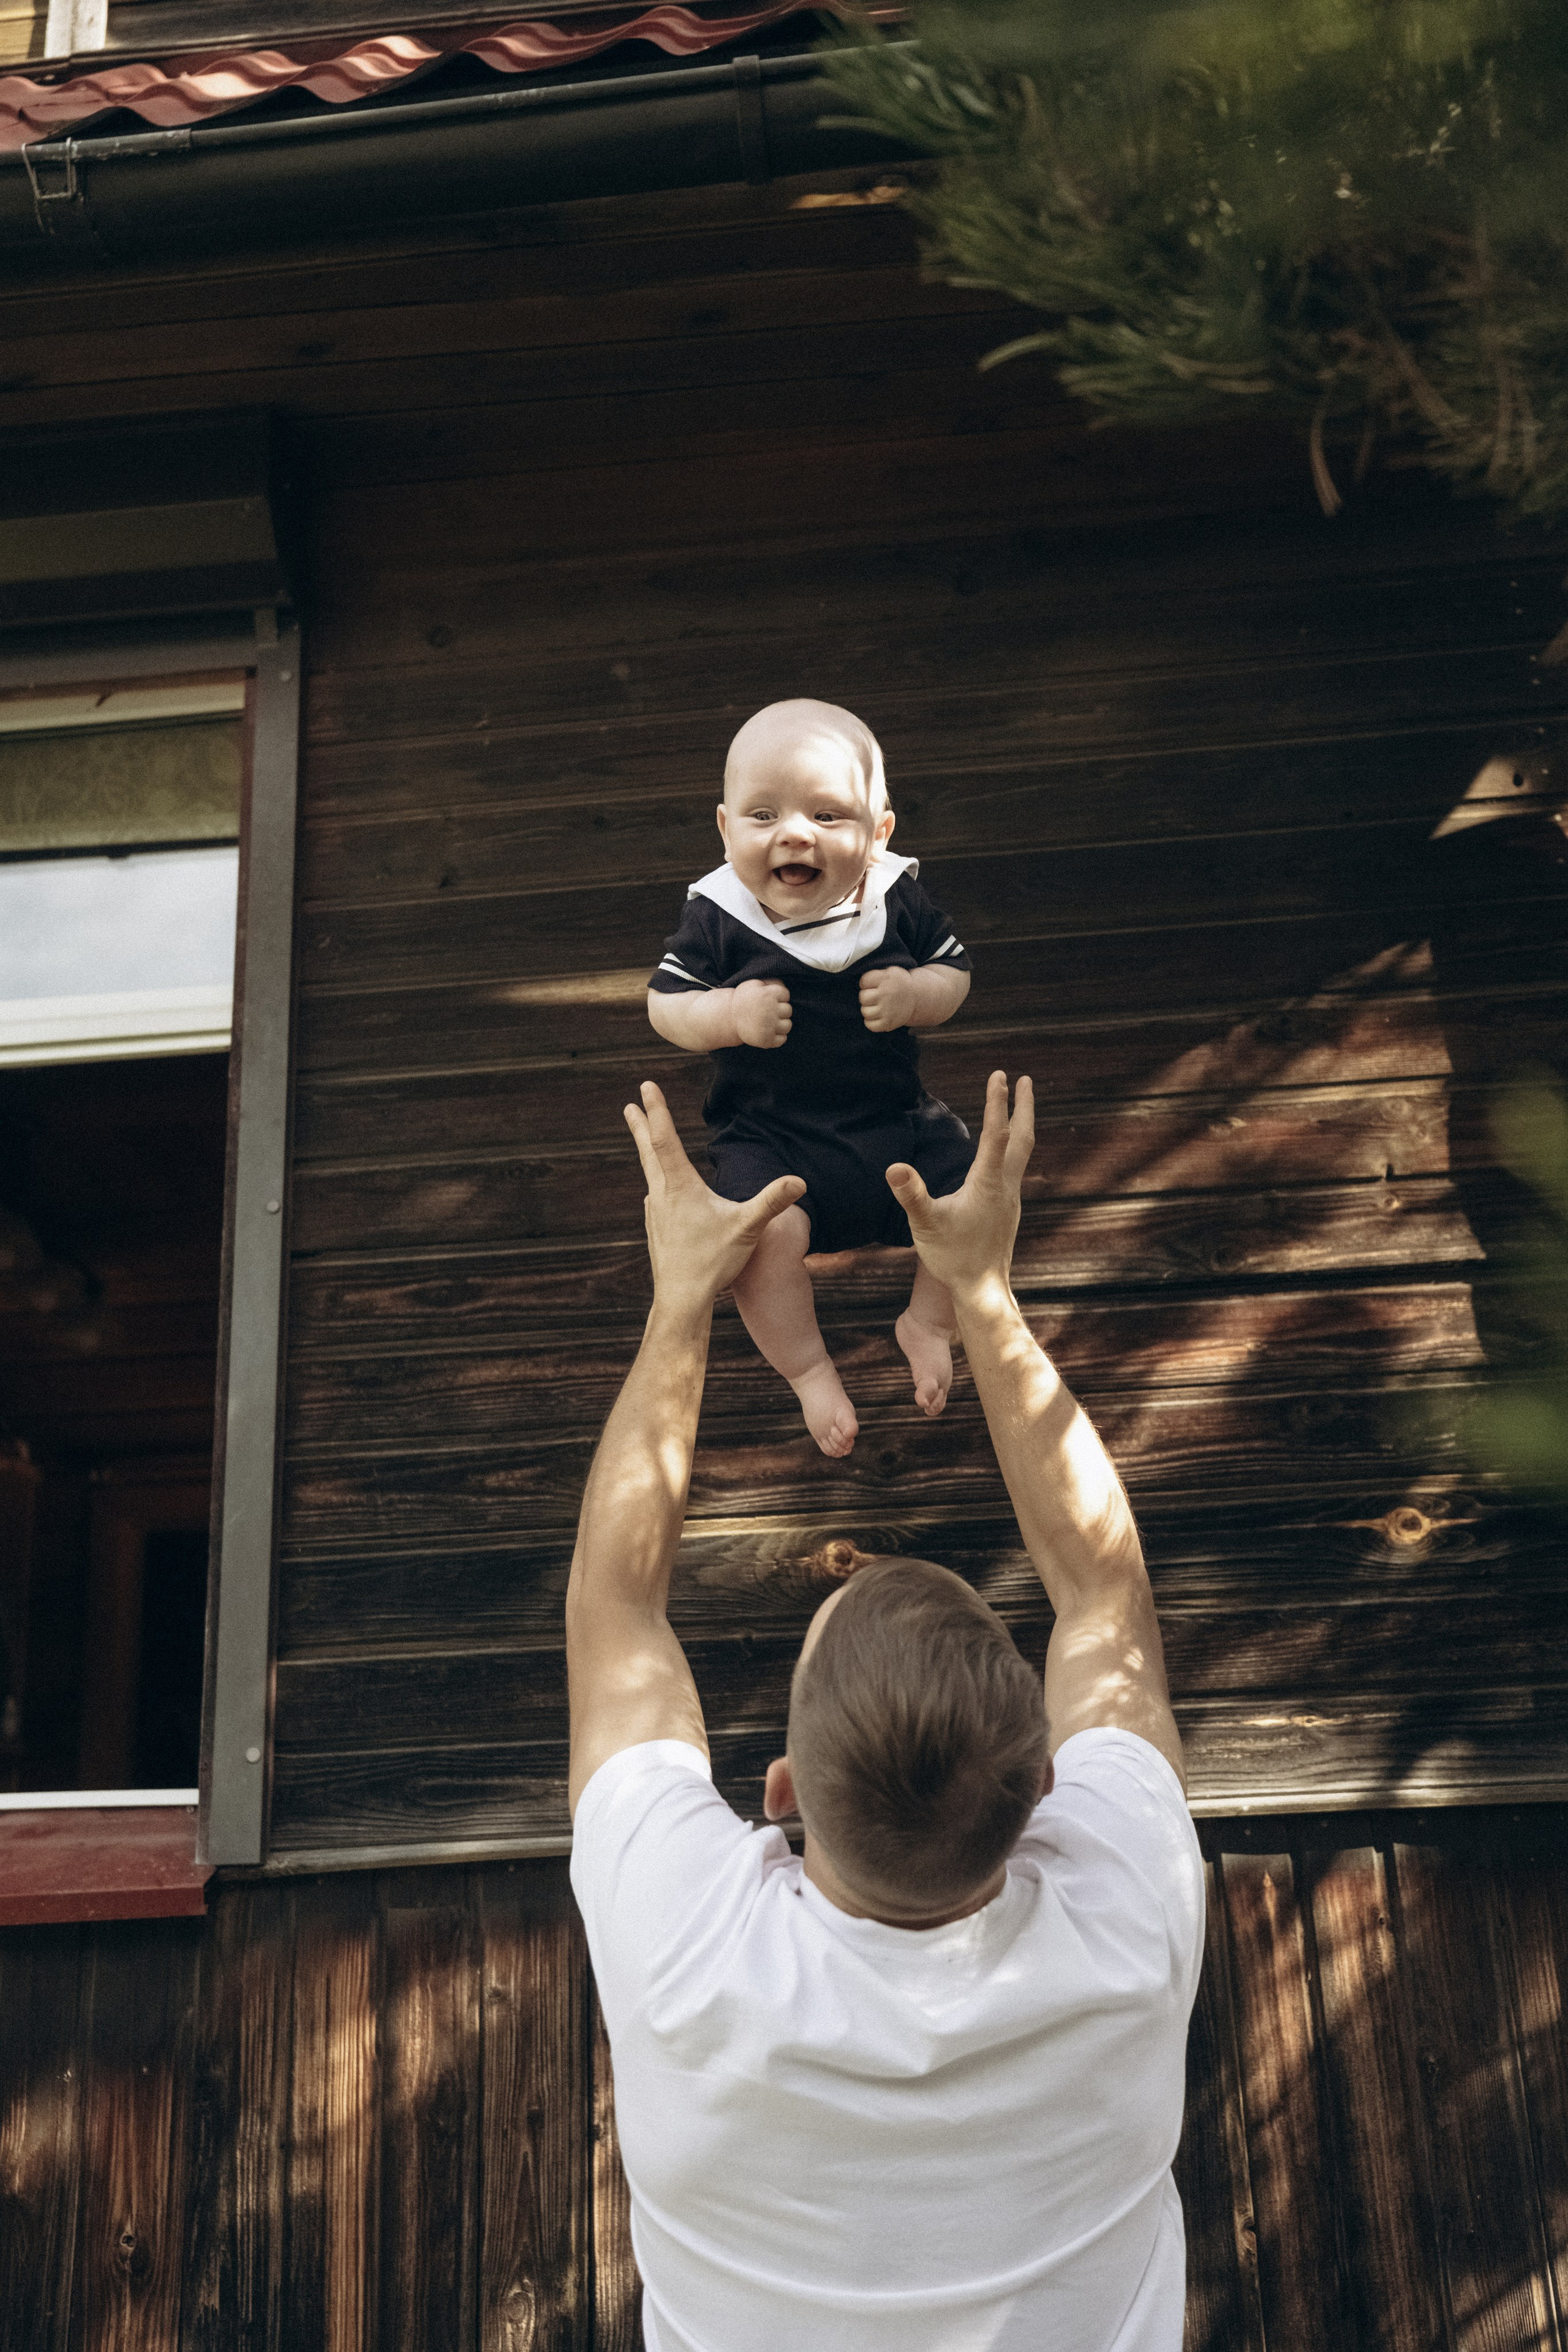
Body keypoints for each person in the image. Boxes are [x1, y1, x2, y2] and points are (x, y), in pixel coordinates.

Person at [566, 1070, 1205, 2352]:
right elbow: (1104, 1597)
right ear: (1041, 1794)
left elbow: (616, 1612)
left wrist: (683, 1297)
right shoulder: (1123, 1926)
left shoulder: (690, 1956)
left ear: (782, 1796)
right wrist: (980, 1295)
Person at [647, 697, 974, 1460]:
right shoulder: (720, 916)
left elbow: (954, 974)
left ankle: (929, 1321)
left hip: (895, 1123)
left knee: (973, 1191)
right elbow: (665, 1005)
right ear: (725, 828)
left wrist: (916, 996)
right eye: (763, 815)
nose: (794, 834)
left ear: (879, 832)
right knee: (756, 1234)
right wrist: (727, 1013)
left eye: (827, 815)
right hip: (772, 1137)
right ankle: (808, 1368)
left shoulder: (894, 897)